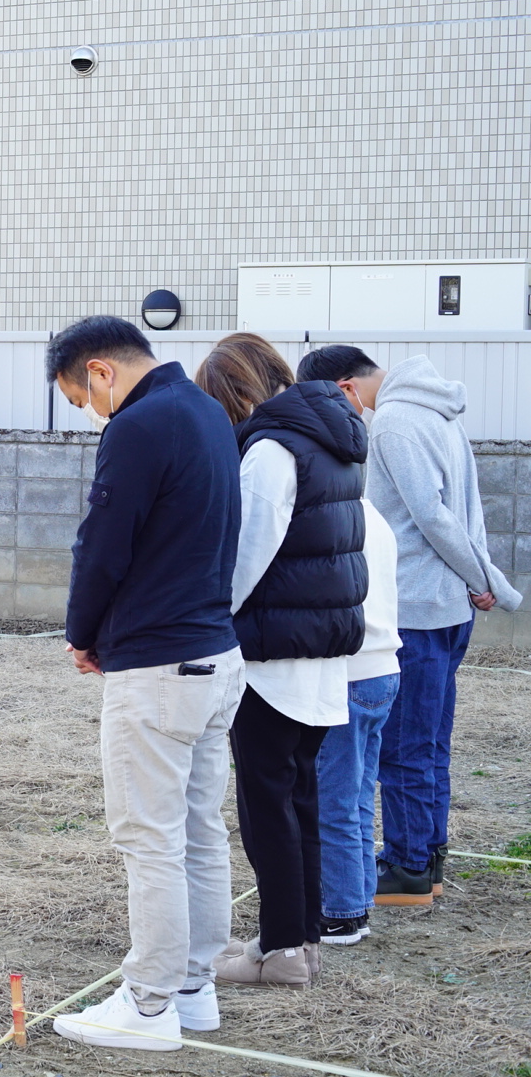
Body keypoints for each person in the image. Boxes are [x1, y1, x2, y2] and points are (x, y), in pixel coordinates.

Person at [47, 317, 244, 1052]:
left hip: (159, 665)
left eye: (81, 398)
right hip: (215, 656)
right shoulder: (205, 412)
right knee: (197, 829)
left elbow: (102, 542)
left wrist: (82, 631)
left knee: (149, 838)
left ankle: (150, 1003)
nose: (91, 413)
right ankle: (194, 990)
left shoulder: (138, 424)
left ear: (99, 371)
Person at [297, 346, 521, 905]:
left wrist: (484, 579)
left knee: (402, 747)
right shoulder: (440, 412)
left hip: (420, 607)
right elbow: (464, 512)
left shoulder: (395, 421)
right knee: (427, 742)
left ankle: (409, 865)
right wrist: (478, 580)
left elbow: (432, 515)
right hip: (448, 607)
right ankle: (427, 855)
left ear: (345, 388)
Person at [194, 334, 366, 989]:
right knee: (300, 799)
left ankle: (283, 947)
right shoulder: (333, 442)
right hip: (321, 656)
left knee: (268, 807)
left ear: (238, 393)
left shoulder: (270, 450)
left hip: (272, 658)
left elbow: (246, 560)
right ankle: (300, 942)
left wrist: (207, 619)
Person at [314, 493, 400, 944]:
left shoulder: (335, 516)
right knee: (359, 796)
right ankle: (358, 899)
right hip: (384, 668)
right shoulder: (374, 515)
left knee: (335, 800)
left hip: (351, 670)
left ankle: (342, 913)